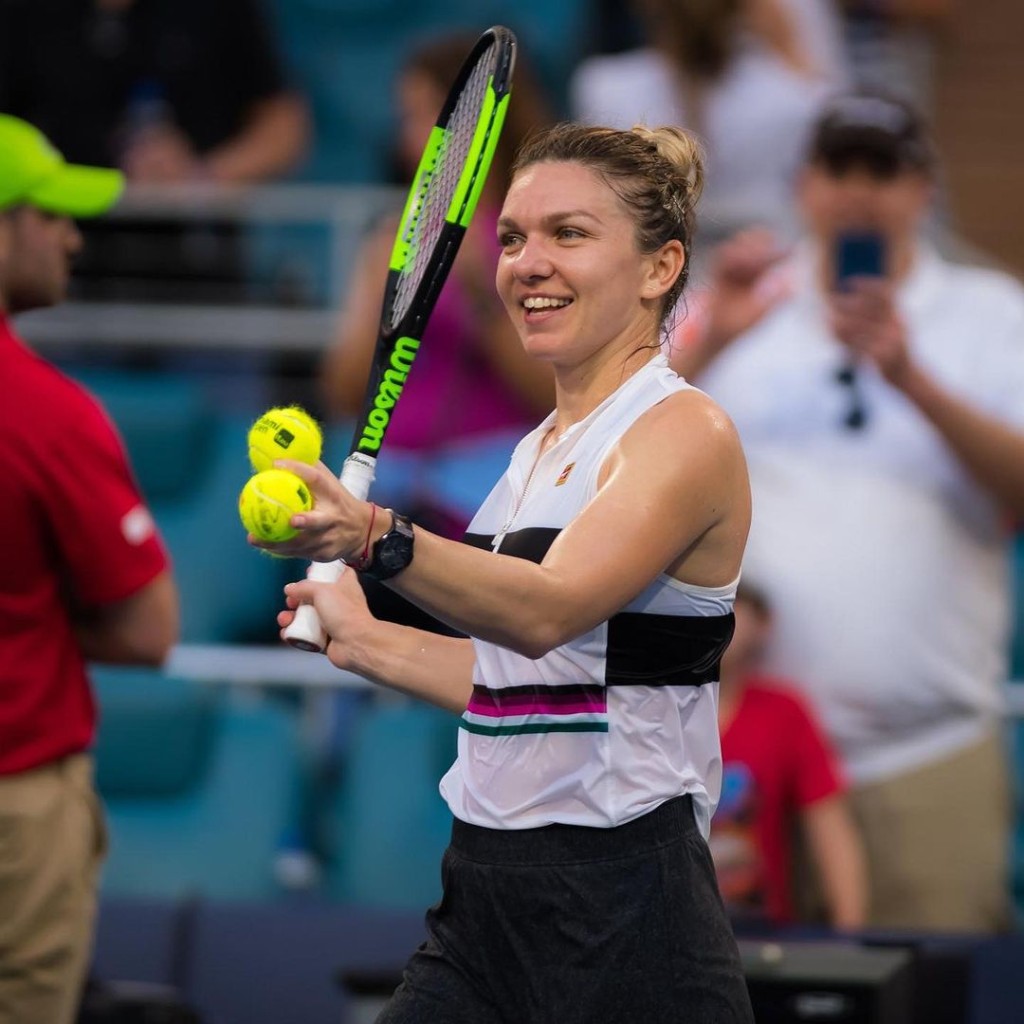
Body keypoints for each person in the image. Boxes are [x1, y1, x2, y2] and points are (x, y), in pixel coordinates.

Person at [261, 122, 755, 1021]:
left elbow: (546, 611)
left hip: (629, 906)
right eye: (515, 237)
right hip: (482, 893)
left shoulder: (685, 433)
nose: (527, 262)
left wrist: (375, 536)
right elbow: (524, 682)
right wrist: (367, 641)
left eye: (569, 234)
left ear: (660, 267)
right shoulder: (533, 453)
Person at [675, 91, 1024, 932]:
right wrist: (712, 335)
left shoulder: (992, 314)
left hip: (924, 752)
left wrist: (913, 379)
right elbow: (614, 456)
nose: (859, 190)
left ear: (922, 191)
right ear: (803, 184)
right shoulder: (740, 304)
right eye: (840, 167)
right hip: (743, 753)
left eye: (884, 169)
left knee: (939, 997)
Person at [0, 114, 179, 1023]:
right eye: (48, 213)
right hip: (18, 808)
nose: (71, 235)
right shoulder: (46, 413)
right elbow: (150, 632)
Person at [321, 31, 556, 543]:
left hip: (495, 498)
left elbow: (553, 394)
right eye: (408, 117)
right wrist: (384, 286)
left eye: (423, 114)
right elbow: (342, 392)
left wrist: (480, 294)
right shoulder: (392, 241)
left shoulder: (538, 244)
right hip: (387, 492)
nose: (411, 138)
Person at [569, 0, 848, 235]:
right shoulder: (796, 99)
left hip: (656, 279)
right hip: (765, 275)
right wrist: (788, 45)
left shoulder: (603, 87)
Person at [0, 0, 310, 184]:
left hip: (196, 260)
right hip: (58, 253)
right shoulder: (24, 12)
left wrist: (200, 178)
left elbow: (283, 127)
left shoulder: (216, 9)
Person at [711, 583, 867, 931]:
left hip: (764, 935)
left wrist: (849, 937)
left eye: (732, 605)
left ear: (764, 625)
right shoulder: (648, 710)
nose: (715, 616)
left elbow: (830, 826)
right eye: (702, 603)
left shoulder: (783, 713)